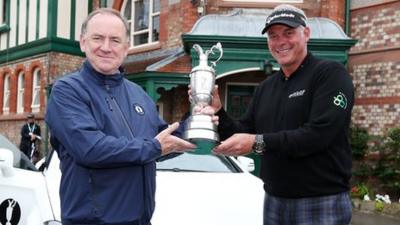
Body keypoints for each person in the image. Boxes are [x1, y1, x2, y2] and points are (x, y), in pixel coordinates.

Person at [201, 4, 354, 225]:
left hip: (321, 201)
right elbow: (244, 130)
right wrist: (219, 112)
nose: (280, 41)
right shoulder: (266, 87)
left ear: (306, 34)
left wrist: (256, 142)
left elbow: (318, 135)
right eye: (273, 36)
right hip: (275, 200)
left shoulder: (330, 74)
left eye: (289, 33)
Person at [45, 8, 195, 225]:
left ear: (126, 48)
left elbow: (166, 139)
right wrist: (154, 147)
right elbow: (91, 149)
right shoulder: (67, 91)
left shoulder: (138, 94)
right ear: (83, 42)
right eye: (98, 38)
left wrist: (200, 117)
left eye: (115, 40)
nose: (106, 47)